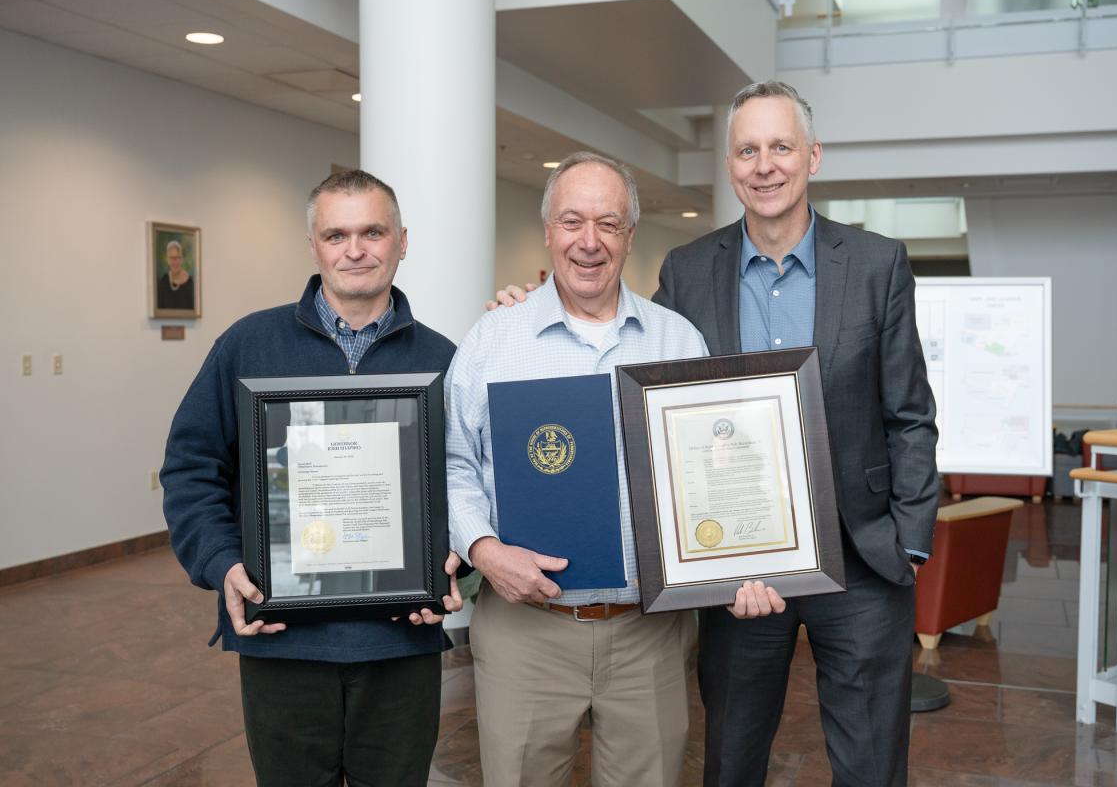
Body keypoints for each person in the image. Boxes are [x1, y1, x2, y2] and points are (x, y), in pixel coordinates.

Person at [492, 82, 939, 786]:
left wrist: (911, 542)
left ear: (812, 156)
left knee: (872, 761)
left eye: (780, 147)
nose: (764, 166)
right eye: (747, 150)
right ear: (730, 167)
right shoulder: (689, 271)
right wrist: (531, 306)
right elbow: (643, 377)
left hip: (861, 560)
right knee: (730, 755)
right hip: (732, 565)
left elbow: (910, 414)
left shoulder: (878, 264)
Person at [160, 169, 464, 786]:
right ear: (314, 246)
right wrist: (223, 564)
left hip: (400, 642)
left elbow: (471, 482)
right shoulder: (247, 345)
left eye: (373, 232)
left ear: (403, 241)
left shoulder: (443, 359)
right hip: (282, 637)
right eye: (337, 234)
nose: (356, 249)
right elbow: (191, 468)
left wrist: (458, 564)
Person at [446, 152, 709, 786]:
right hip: (524, 634)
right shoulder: (492, 339)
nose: (588, 242)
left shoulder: (679, 342)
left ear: (629, 235)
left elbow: (705, 473)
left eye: (607, 223)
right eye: (571, 221)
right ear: (547, 231)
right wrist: (482, 549)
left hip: (649, 631)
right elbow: (455, 461)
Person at [156, 239, 195, 310]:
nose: (175, 261)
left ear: (182, 259)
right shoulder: (163, 281)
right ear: (168, 260)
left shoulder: (190, 283)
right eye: (172, 258)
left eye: (178, 257)